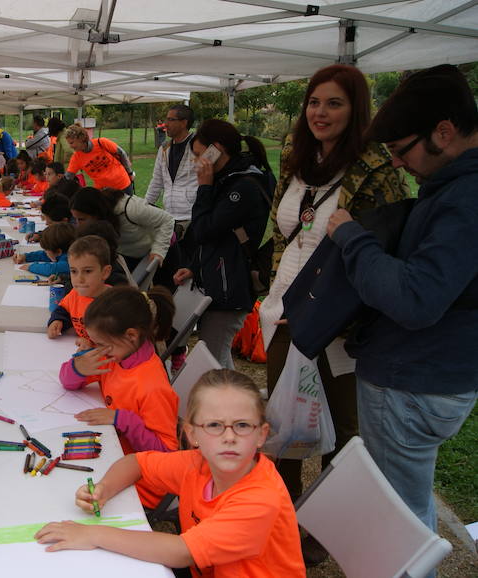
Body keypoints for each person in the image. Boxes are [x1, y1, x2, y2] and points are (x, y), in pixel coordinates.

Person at [258, 65, 410, 560]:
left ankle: (327, 529)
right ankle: (281, 515)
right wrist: (283, 297)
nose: (320, 113)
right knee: (284, 422)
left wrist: (332, 314)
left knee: (340, 429)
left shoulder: (376, 169)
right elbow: (286, 236)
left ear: (356, 109)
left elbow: (386, 254)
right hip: (283, 312)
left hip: (340, 325)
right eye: (314, 102)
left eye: (335, 104)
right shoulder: (294, 158)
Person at [326, 64, 478, 545]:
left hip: (412, 382)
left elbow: (416, 299)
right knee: (409, 500)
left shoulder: (466, 198)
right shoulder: (454, 189)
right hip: (425, 374)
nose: (396, 164)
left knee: (399, 523)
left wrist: (353, 238)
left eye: (400, 151)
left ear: (444, 132)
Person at [35, 369, 305, 577]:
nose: (229, 437)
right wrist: (104, 489)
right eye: (214, 425)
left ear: (261, 435)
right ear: (192, 434)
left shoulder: (260, 499)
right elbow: (136, 463)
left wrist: (92, 534)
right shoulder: (196, 464)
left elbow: (181, 552)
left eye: (243, 425)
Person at [57, 286, 179, 509]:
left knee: (64, 493)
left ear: (131, 335)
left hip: (141, 483)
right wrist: (78, 367)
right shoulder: (116, 355)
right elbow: (67, 381)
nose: (98, 350)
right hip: (112, 453)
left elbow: (166, 454)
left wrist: (123, 419)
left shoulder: (152, 387)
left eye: (102, 344)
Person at [172, 120, 272, 369]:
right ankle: (231, 404)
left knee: (212, 358)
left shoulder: (242, 187)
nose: (195, 162)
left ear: (215, 149)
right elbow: (217, 238)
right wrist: (195, 267)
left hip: (230, 288)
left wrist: (204, 187)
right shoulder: (227, 180)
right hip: (218, 281)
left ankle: (227, 406)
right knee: (215, 356)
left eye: (198, 154)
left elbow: (204, 229)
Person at [70, 186, 174, 273]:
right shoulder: (97, 225)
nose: (78, 224)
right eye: (75, 219)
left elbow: (167, 220)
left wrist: (158, 251)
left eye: (81, 219)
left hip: (161, 252)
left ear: (96, 213)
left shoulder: (130, 208)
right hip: (130, 256)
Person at [47, 235, 112, 344]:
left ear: (105, 272)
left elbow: (120, 343)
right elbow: (63, 310)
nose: (79, 279)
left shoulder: (114, 303)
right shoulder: (75, 294)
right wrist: (57, 321)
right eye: (74, 271)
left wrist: (93, 345)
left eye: (87, 271)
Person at [145, 104, 197, 224]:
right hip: (170, 217)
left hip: (193, 216)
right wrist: (145, 205)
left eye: (171, 120)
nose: (165, 124)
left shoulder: (199, 146)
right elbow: (157, 181)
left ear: (184, 123)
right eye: (166, 119)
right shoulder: (164, 148)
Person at [64, 124, 134, 194]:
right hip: (104, 192)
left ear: (80, 139)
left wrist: (130, 173)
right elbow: (68, 177)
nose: (70, 146)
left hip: (123, 184)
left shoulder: (101, 143)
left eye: (72, 143)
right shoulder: (76, 158)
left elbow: (122, 153)